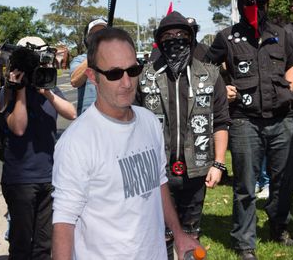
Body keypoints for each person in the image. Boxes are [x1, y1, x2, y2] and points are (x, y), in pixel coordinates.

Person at [52, 27, 200, 259]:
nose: (127, 82)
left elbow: (159, 184)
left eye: (133, 70)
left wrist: (179, 234)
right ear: (93, 77)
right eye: (114, 74)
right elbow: (63, 221)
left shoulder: (150, 122)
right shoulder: (77, 142)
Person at [207, 0, 293, 260]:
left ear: (268, 4)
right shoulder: (227, 37)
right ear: (239, 4)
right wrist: (222, 88)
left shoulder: (281, 35)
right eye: (249, 2)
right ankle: (244, 243)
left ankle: (279, 228)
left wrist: (289, 88)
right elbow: (206, 67)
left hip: (282, 119)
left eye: (260, 1)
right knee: (246, 185)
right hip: (244, 121)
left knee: (284, 182)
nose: (255, 7)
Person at [137, 11, 230, 259]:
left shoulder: (210, 75)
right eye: (167, 35)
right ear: (159, 41)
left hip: (196, 168)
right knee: (160, 231)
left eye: (181, 34)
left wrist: (218, 163)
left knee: (190, 230)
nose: (175, 39)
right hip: (157, 170)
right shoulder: (145, 76)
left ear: (191, 38)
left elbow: (221, 122)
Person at [0, 37, 76, 260]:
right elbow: (19, 127)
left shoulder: (47, 87)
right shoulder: (9, 92)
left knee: (44, 245)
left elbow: (71, 113)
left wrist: (47, 91)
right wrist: (21, 90)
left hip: (48, 177)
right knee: (21, 246)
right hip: (20, 179)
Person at [69, 18, 107, 116]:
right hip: (89, 119)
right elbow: (75, 81)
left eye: (104, 32)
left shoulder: (118, 57)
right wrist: (94, 53)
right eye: (95, 34)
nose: (100, 36)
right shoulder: (80, 60)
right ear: (87, 39)